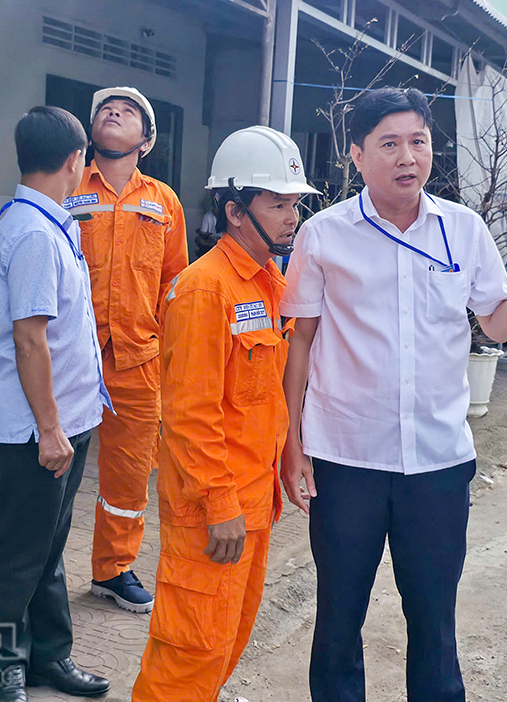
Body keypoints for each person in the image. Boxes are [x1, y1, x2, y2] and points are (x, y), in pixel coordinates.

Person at [279, 88, 507, 702]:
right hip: (346, 457)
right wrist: (292, 443)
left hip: (437, 461)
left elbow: (495, 321)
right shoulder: (323, 234)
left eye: (418, 141)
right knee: (338, 617)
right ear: (357, 155)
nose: (407, 157)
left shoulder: (462, 230)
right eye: (389, 144)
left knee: (435, 620)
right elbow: (300, 342)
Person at [131, 126, 319, 702]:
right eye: (277, 203)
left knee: (225, 644)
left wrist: (288, 462)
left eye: (294, 204)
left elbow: (269, 399)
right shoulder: (203, 289)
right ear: (235, 212)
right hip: (212, 512)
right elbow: (189, 414)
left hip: (252, 503)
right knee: (188, 655)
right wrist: (219, 505)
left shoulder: (272, 284)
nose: (291, 217)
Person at [0, 107, 112, 701]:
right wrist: (51, 430)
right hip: (40, 429)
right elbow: (29, 340)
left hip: (67, 419)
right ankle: (2, 664)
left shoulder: (51, 222)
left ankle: (49, 656)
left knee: (48, 547)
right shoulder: (34, 232)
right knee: (19, 552)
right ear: (76, 160)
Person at [63, 86, 187, 613]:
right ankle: (38, 570)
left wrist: (172, 356)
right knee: (52, 466)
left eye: (129, 111)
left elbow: (174, 285)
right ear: (91, 132)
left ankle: (112, 570)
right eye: (106, 110)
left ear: (147, 140)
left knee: (129, 475)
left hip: (138, 360)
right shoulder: (64, 186)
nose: (114, 113)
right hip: (70, 355)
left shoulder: (163, 202)